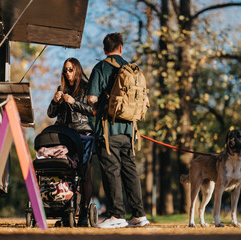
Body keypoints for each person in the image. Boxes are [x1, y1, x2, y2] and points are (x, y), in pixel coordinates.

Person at [87, 32, 149, 228]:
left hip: (108, 131)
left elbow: (91, 99)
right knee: (130, 171)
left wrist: (96, 108)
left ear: (104, 49)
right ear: (121, 48)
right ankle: (139, 215)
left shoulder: (101, 67)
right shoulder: (132, 69)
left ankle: (117, 216)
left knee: (111, 171)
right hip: (130, 132)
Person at [47, 57, 94, 227]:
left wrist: (74, 103)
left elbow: (92, 110)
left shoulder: (87, 87)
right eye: (65, 70)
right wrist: (55, 100)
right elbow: (51, 114)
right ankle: (68, 212)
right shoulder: (62, 88)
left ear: (77, 70)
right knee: (66, 173)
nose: (67, 73)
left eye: (71, 69)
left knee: (84, 173)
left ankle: (83, 213)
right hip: (65, 135)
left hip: (83, 134)